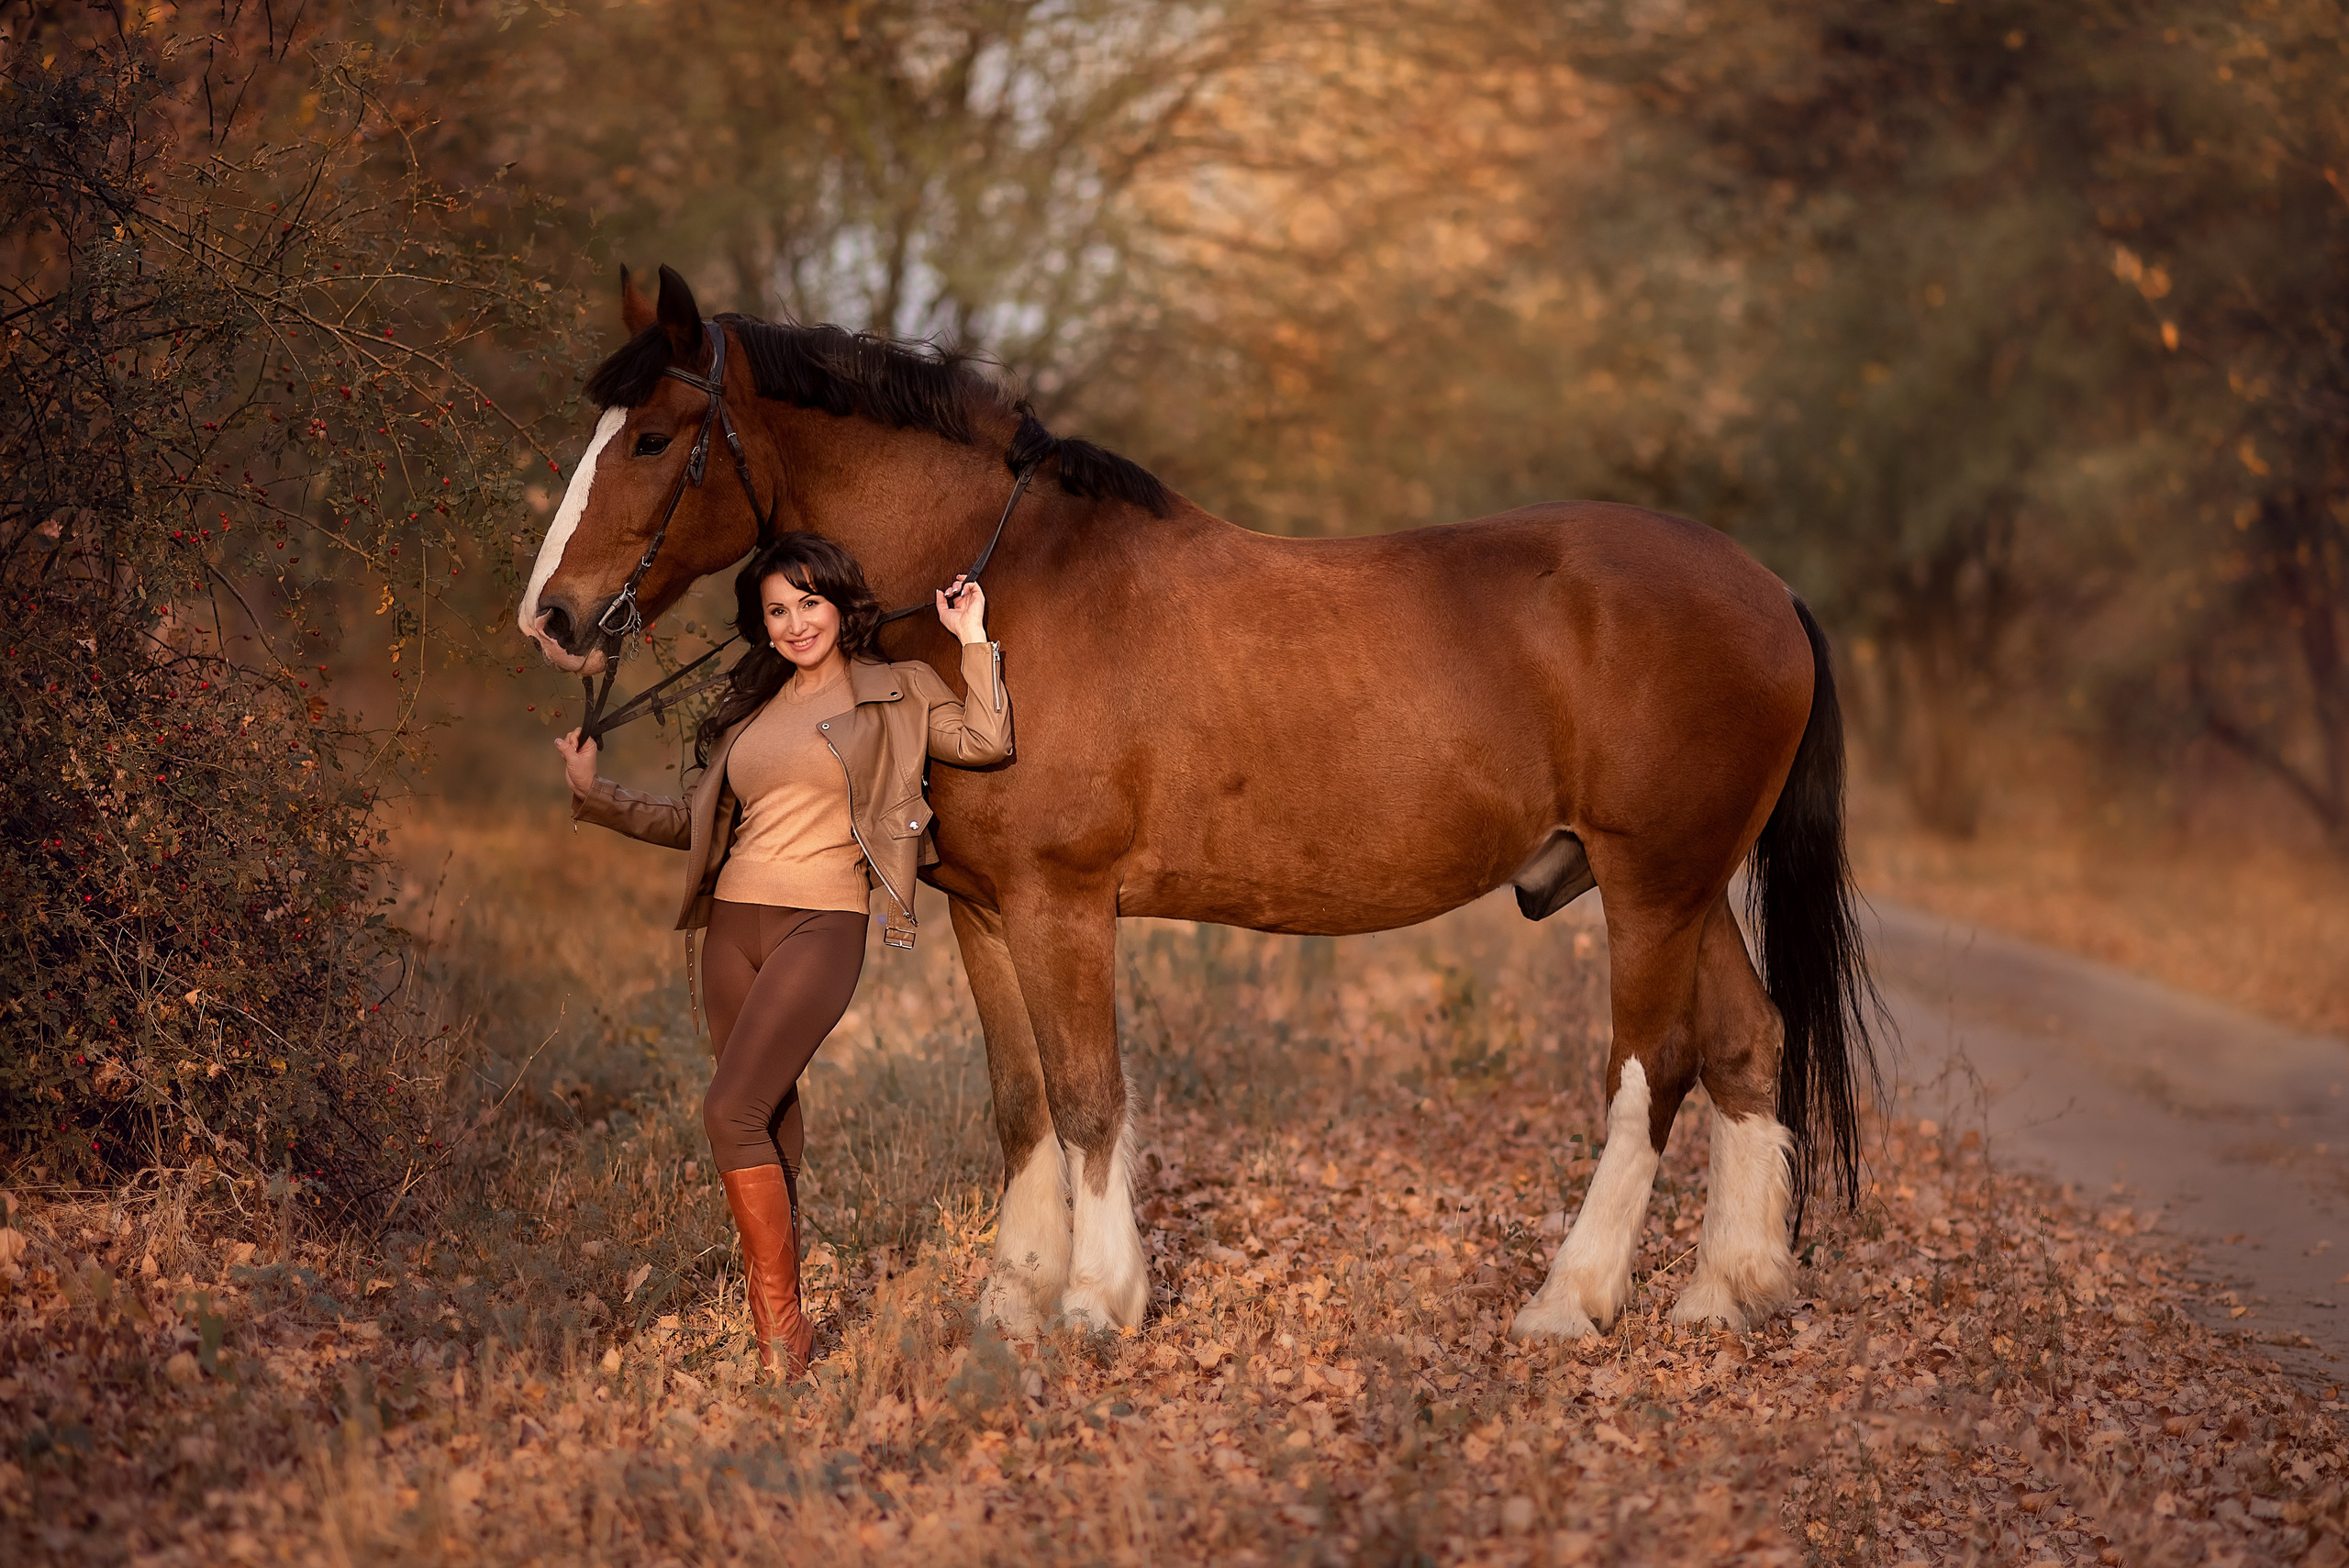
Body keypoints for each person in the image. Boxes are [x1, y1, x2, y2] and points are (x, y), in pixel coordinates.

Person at [555, 532, 1011, 1377]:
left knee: (726, 1111)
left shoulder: (894, 692)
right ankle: (785, 1309)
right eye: (777, 610)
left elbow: (986, 738)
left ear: (838, 606)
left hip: (822, 918)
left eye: (809, 602)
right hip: (732, 923)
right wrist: (597, 797)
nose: (796, 622)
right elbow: (695, 827)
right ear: (761, 626)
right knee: (762, 1112)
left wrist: (973, 639)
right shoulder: (752, 711)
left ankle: (780, 1329)